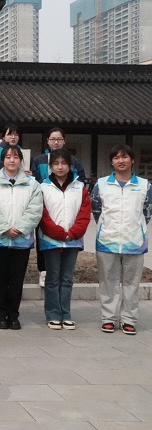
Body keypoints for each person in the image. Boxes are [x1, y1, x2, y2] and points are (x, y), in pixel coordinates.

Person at [91, 144, 152, 335]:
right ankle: (108, 318)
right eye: (116, 158)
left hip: (134, 242)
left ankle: (128, 320)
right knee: (108, 282)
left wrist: (136, 229)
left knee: (131, 283)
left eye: (125, 157)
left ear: (132, 160)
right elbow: (96, 210)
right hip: (107, 241)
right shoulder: (101, 184)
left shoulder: (144, 185)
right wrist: (108, 227)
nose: (121, 161)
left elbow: (147, 212)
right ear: (111, 162)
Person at [0, 145, 43, 330]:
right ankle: (0, 315)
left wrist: (19, 228)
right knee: (0, 278)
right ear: (2, 160)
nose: (12, 160)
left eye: (16, 157)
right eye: (8, 157)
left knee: (17, 280)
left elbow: (35, 210)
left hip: (22, 240)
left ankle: (13, 314)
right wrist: (4, 228)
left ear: (21, 161)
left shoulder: (32, 183)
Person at [38, 148, 91, 330]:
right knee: (52, 278)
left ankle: (66, 314)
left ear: (70, 165)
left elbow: (84, 214)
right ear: (50, 166)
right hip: (50, 240)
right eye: (56, 163)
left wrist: (73, 233)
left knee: (67, 278)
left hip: (73, 240)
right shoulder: (43, 187)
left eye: (64, 163)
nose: (60, 167)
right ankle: (53, 314)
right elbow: (42, 215)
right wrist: (59, 233)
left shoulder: (79, 187)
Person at [30, 127, 87, 288]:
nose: (56, 142)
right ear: (47, 141)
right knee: (42, 237)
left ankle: (64, 271)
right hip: (45, 201)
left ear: (64, 141)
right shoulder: (39, 160)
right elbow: (33, 180)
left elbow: (81, 178)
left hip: (66, 201)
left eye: (59, 139)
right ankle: (43, 271)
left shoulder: (73, 161)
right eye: (53, 139)